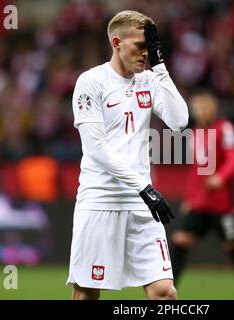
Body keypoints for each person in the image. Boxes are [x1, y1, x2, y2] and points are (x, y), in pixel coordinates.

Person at [66, 10, 189, 300]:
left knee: (164, 292)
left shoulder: (148, 81)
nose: (145, 54)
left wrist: (160, 68)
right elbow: (96, 148)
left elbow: (180, 120)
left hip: (142, 204)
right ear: (117, 43)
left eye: (150, 48)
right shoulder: (91, 82)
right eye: (140, 47)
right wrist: (143, 186)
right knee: (86, 294)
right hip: (101, 200)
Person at [170, 90, 234, 299]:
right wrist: (189, 198)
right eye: (196, 110)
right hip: (200, 203)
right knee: (180, 240)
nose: (198, 113)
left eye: (201, 109)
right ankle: (170, 293)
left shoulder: (225, 129)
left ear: (212, 109)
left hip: (224, 205)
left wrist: (220, 177)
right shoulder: (196, 133)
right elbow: (196, 170)